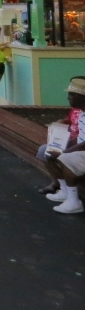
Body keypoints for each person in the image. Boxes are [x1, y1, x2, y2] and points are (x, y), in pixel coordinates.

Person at [40, 77, 85, 214]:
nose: (68, 97)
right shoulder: (82, 113)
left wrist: (63, 153)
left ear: (81, 96)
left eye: (71, 95)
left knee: (65, 159)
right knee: (45, 151)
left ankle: (74, 202)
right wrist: (61, 146)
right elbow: (80, 137)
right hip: (81, 149)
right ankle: (64, 191)